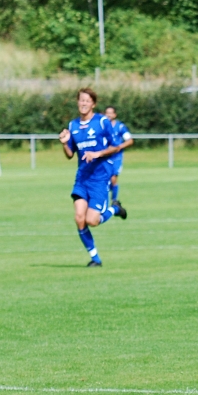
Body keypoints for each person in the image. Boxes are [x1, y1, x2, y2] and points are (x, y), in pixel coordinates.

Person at [59, 88, 127, 267]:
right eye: (81, 100)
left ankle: (114, 209)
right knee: (79, 218)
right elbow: (69, 154)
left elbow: (116, 146)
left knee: (92, 220)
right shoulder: (73, 126)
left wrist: (97, 154)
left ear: (93, 104)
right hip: (82, 178)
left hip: (99, 178)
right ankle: (95, 259)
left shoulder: (102, 122)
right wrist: (65, 143)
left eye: (87, 101)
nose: (83, 103)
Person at [103, 106, 134, 208]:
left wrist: (119, 146)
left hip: (116, 157)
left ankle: (114, 200)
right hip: (105, 157)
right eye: (107, 113)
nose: (108, 115)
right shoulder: (102, 127)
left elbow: (130, 140)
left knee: (113, 178)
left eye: (111, 113)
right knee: (104, 179)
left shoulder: (120, 127)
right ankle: (105, 200)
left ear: (115, 115)